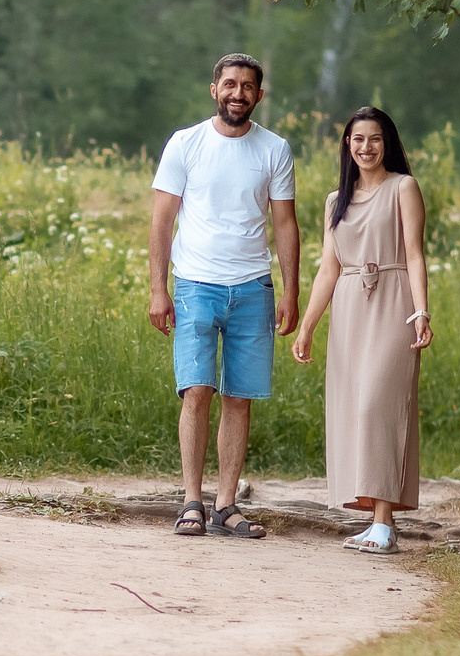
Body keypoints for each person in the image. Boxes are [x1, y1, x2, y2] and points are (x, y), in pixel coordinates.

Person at [147, 54, 301, 538]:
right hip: (195, 284)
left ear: (259, 95)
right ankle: (191, 501)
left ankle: (227, 505)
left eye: (248, 86)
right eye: (230, 84)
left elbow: (284, 224)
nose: (238, 93)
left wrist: (291, 291)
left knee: (239, 398)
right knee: (196, 391)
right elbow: (161, 221)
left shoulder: (274, 149)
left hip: (253, 286)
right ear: (214, 89)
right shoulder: (186, 144)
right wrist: (158, 288)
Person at [292, 105, 432, 554]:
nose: (365, 147)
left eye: (374, 138)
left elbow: (414, 254)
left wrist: (422, 311)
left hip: (394, 303)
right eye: (357, 139)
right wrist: (307, 326)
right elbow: (327, 270)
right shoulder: (336, 201)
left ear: (386, 142)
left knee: (380, 404)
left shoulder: (403, 187)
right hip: (350, 307)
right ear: (347, 146)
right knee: (356, 409)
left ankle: (386, 525)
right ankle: (375, 518)